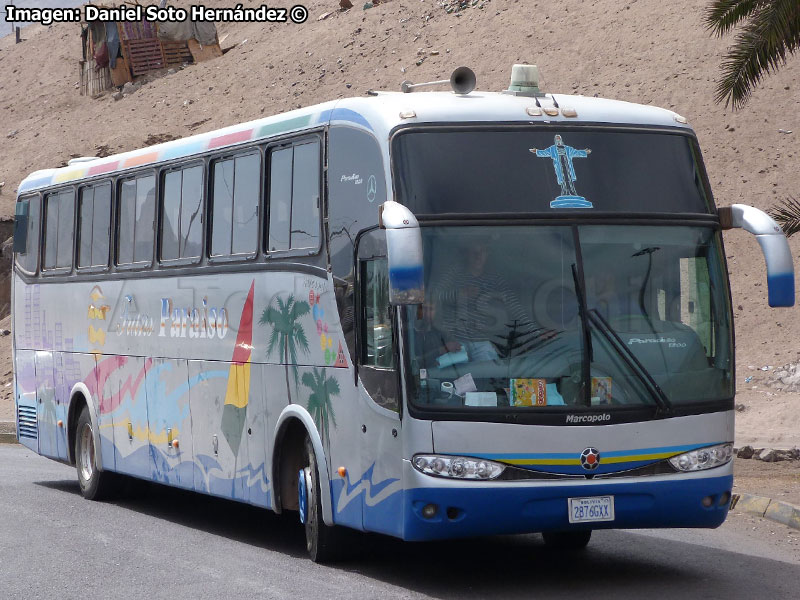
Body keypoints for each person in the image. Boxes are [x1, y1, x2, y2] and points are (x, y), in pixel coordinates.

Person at [427, 239, 532, 359]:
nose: (478, 257)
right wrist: (458, 294)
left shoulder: (495, 280)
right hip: (455, 342)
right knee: (455, 377)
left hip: (483, 342)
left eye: (482, 252)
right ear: (466, 254)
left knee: (487, 375)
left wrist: (535, 333)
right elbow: (432, 296)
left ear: (488, 255)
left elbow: (515, 307)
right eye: (474, 252)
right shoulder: (454, 274)